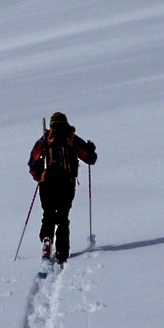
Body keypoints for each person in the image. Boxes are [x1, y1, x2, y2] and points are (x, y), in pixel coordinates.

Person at [27, 112, 97, 263]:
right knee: (63, 217)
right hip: (67, 182)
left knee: (48, 214)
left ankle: (47, 239)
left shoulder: (45, 139)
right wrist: (91, 149)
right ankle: (62, 252)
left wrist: (38, 176)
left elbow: (32, 162)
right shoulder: (71, 138)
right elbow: (90, 159)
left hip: (47, 182)